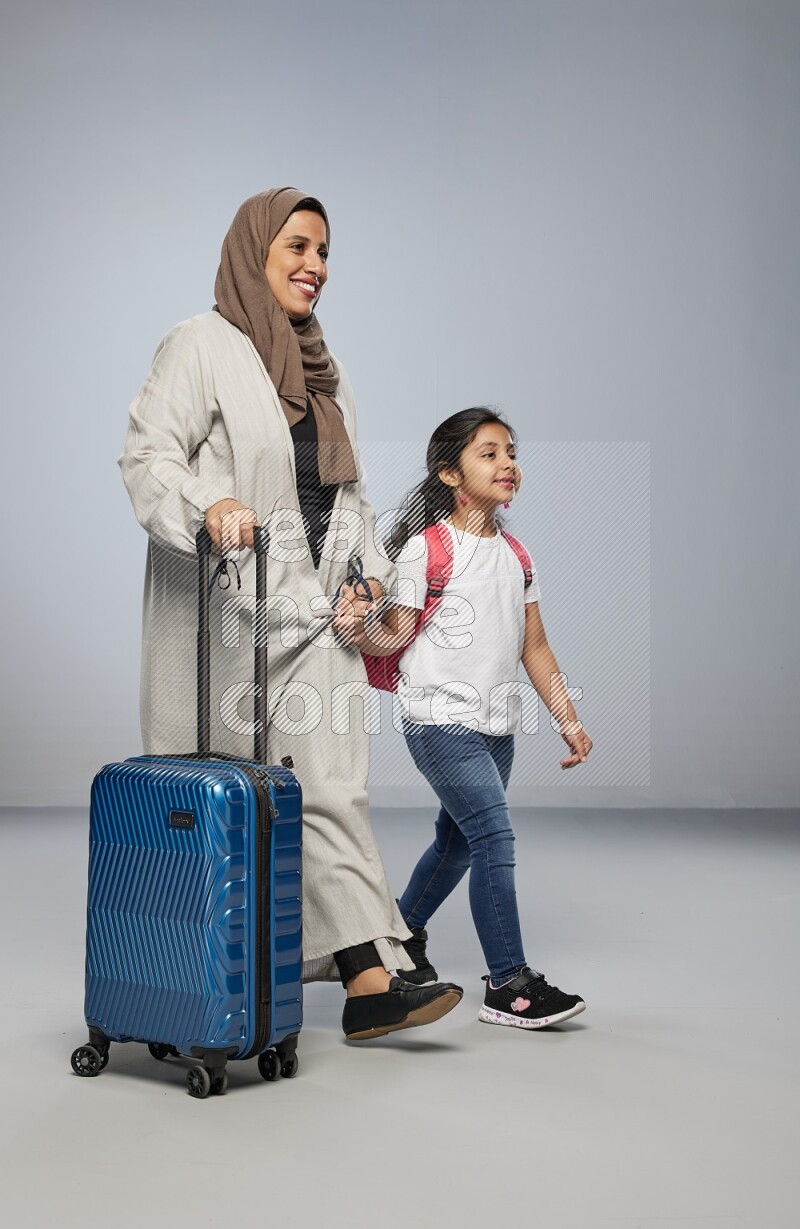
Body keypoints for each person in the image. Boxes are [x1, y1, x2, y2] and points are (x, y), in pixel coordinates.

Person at [118, 187, 462, 1040]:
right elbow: (146, 455)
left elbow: (346, 494)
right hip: (230, 617)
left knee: (333, 787)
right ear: (254, 252)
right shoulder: (199, 346)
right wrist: (208, 504)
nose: (315, 266)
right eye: (298, 247)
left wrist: (367, 584)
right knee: (237, 805)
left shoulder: (321, 367)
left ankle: (370, 975)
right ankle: (320, 973)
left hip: (314, 614)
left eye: (323, 252)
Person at [357, 407, 592, 1030]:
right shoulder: (426, 548)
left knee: (457, 844)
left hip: (497, 727)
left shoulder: (517, 555)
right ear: (450, 474)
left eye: (510, 451)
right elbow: (395, 636)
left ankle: (399, 937)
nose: (507, 463)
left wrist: (567, 718)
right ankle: (509, 985)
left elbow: (533, 646)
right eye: (488, 453)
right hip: (438, 720)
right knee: (493, 839)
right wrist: (355, 627)